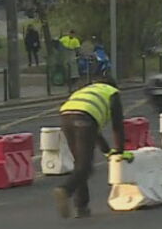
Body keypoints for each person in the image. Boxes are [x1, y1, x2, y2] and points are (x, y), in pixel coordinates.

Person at [53, 77, 128, 219]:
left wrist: (106, 150)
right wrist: (120, 151)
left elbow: (95, 131)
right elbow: (117, 126)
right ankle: (65, 190)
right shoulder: (113, 93)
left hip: (66, 116)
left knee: (80, 164)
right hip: (85, 117)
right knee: (86, 167)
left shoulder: (87, 91)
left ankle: (81, 207)